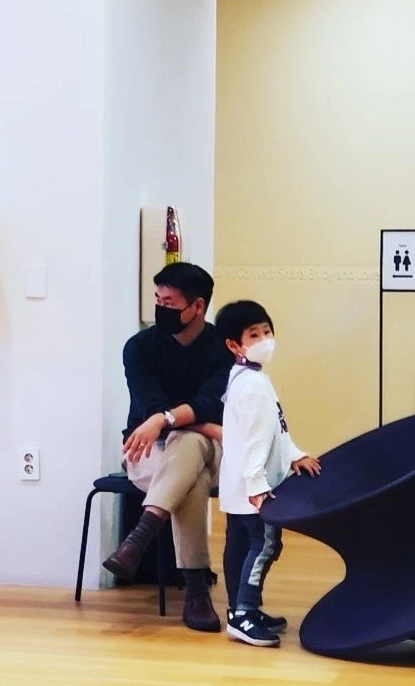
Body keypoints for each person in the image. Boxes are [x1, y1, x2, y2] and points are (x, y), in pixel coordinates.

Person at [102, 263, 233, 632]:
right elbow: (150, 405)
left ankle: (140, 537)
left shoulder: (222, 349)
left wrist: (165, 419)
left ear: (198, 306)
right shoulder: (139, 347)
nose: (160, 308)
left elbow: (211, 402)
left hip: (207, 450)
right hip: (148, 451)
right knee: (191, 477)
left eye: (170, 303)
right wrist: (180, 421)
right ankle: (196, 593)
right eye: (157, 300)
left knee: (189, 443)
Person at [214, 299, 321, 647]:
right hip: (254, 488)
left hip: (238, 484)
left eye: (267, 332)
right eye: (254, 335)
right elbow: (256, 440)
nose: (264, 340)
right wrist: (258, 485)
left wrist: (294, 455)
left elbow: (275, 429)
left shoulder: (245, 378)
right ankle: (244, 614)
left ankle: (240, 609)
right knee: (265, 544)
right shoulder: (254, 385)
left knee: (240, 544)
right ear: (234, 345)